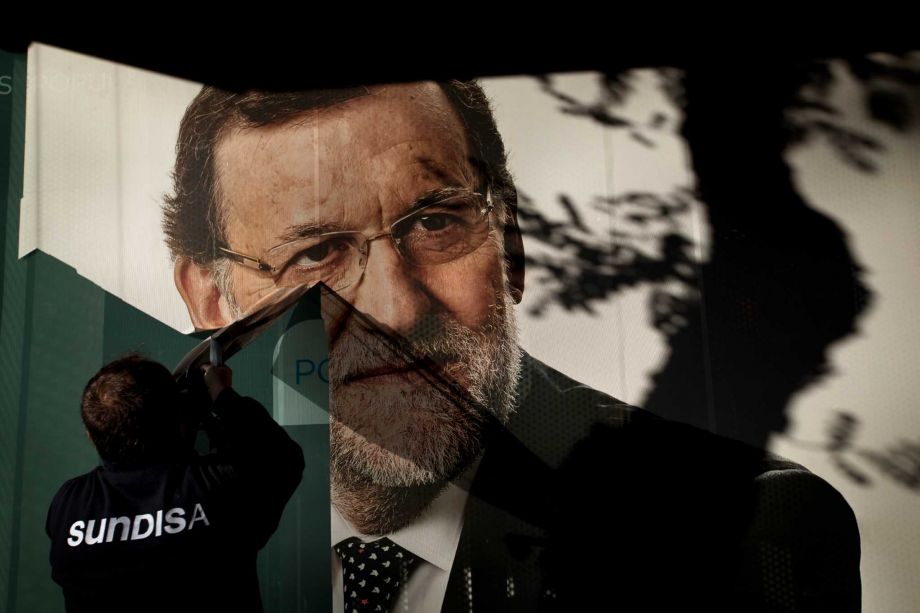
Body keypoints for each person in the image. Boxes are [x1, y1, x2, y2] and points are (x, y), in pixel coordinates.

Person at [161, 81, 861, 611]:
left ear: (512, 243)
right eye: (315, 253)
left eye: (435, 220)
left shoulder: (742, 540)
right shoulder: (153, 548)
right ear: (209, 300)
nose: (396, 309)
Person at [46, 355, 305, 613]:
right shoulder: (215, 489)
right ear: (179, 420)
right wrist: (222, 395)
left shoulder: (69, 505)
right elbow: (281, 457)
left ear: (91, 436)